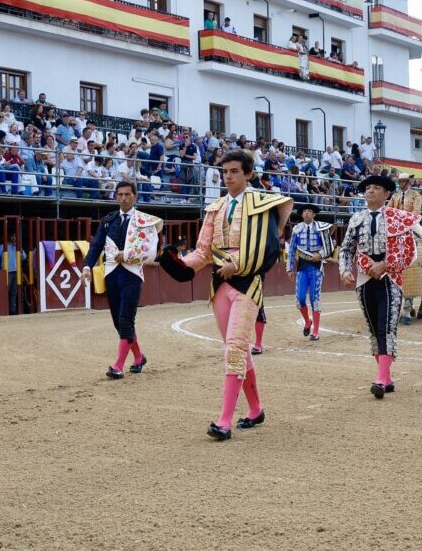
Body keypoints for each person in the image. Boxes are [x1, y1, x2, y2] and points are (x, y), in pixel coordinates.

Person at [157, 150, 292, 440]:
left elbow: (269, 249)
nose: (228, 176)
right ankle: (255, 409)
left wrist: (238, 265)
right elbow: (203, 252)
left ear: (248, 174)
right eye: (225, 172)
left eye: (234, 171)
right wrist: (181, 265)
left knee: (233, 347)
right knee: (240, 348)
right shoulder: (214, 209)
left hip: (248, 283)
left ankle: (224, 421)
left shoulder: (263, 204)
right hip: (219, 286)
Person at [339, 174, 422, 398]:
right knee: (373, 327)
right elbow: (346, 249)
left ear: (386, 193)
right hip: (364, 277)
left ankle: (380, 379)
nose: (370, 191)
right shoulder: (356, 219)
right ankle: (387, 378)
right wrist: (344, 270)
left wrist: (386, 265)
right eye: (367, 188)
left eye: (376, 188)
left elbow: (410, 251)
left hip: (391, 278)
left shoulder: (399, 217)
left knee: (386, 326)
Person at [82, 181, 164, 378]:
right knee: (118, 322)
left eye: (127, 194)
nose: (123, 198)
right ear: (116, 196)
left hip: (132, 274)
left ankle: (118, 366)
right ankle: (138, 357)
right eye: (120, 194)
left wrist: (126, 255)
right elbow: (96, 246)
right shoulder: (108, 220)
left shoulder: (143, 221)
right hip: (111, 274)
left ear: (135, 196)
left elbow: (150, 249)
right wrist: (87, 267)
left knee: (126, 319)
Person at [286, 203, 336, 341]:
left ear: (314, 214)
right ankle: (308, 322)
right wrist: (290, 268)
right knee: (300, 299)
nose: (307, 213)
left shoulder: (321, 228)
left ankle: (316, 332)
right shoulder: (297, 229)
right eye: (305, 211)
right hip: (302, 267)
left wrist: (320, 255)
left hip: (316, 267)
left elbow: (328, 247)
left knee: (315, 299)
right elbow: (291, 250)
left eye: (310, 211)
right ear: (302, 214)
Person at [388, 173, 422, 322]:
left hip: (411, 224)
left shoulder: (416, 195)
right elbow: (388, 210)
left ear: (408, 182)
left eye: (404, 181)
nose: (402, 183)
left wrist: (405, 219)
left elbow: (416, 211)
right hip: (396, 226)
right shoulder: (394, 196)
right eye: (400, 181)